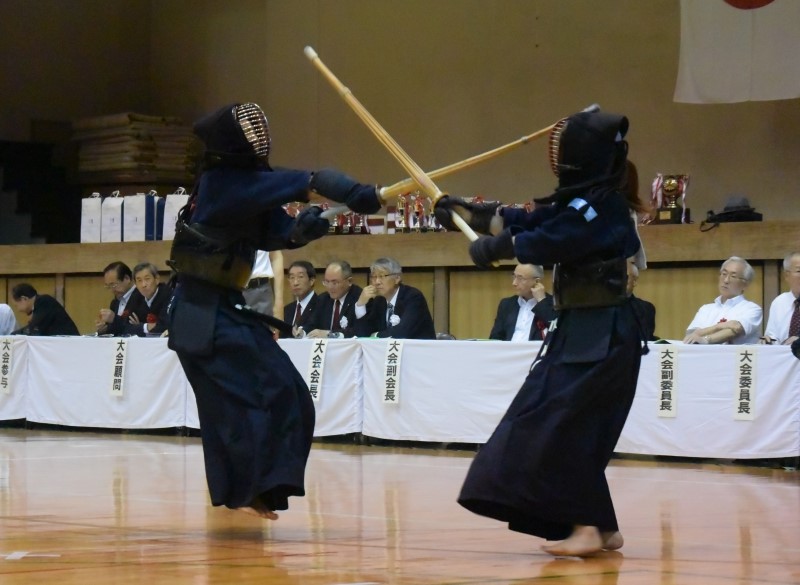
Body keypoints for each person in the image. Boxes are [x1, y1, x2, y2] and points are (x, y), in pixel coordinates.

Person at [435, 108, 647, 556]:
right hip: (583, 331)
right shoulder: (582, 200)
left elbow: (552, 238)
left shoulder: (600, 207)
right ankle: (602, 528)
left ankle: (587, 527)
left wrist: (497, 248)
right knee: (562, 424)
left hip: (602, 334)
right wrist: (471, 213)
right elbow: (528, 219)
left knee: (559, 425)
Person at [166, 102, 381, 519]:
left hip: (223, 311)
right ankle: (251, 489)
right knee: (246, 403)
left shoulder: (244, 189)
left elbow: (278, 231)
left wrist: (307, 227)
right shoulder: (221, 185)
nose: (258, 135)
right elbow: (306, 181)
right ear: (232, 141)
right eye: (248, 129)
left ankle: (256, 489)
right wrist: (354, 193)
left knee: (282, 395)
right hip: (201, 314)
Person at [683, 256, 762, 345]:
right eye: (724, 274)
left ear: (745, 284)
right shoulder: (705, 309)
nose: (726, 280)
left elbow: (734, 330)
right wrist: (719, 326)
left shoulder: (752, 309)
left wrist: (705, 339)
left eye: (733, 276)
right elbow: (691, 336)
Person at [353, 257, 436, 339]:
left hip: (418, 350)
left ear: (397, 278)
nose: (377, 282)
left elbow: (403, 332)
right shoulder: (379, 301)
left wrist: (375, 335)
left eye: (382, 276)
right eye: (374, 277)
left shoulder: (413, 297)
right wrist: (360, 304)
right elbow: (362, 334)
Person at [489, 263, 556, 341]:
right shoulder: (507, 304)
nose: (514, 283)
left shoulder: (553, 303)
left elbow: (555, 331)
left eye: (520, 278)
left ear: (537, 281)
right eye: (514, 276)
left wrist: (541, 301)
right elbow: (495, 337)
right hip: (510, 352)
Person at [304, 260, 363, 338]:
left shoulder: (359, 299)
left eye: (335, 283)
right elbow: (311, 324)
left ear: (349, 281)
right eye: (327, 282)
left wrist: (330, 334)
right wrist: (302, 332)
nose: (330, 287)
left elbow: (359, 331)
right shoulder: (323, 299)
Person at [95, 261, 148, 336]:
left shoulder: (142, 297)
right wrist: (104, 329)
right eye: (108, 286)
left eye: (113, 285)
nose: (112, 290)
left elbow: (137, 328)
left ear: (127, 278)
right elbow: (116, 329)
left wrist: (114, 319)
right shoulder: (115, 303)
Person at [10, 283, 79, 336]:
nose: (18, 310)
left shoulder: (44, 301)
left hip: (68, 343)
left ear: (24, 299)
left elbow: (33, 328)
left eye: (16, 305)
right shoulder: (40, 304)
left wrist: (11, 336)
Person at [761, 251, 800, 345]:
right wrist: (767, 341)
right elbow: (772, 336)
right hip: (784, 358)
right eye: (799, 271)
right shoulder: (779, 302)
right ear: (787, 276)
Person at [283, 260, 319, 338]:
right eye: (292, 277)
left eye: (300, 277)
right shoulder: (287, 310)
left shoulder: (321, 305)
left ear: (311, 280)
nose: (295, 283)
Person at [243, 250, 284, 318]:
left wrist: (279, 302)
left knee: (264, 327)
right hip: (232, 288)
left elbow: (276, 257)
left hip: (262, 290)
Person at [626, 260, 657, 341]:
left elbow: (646, 339)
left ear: (634, 281)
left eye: (625, 277)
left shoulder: (645, 309)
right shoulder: (597, 307)